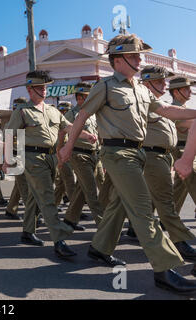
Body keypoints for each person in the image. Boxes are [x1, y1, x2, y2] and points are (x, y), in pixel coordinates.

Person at [59, 34, 196, 294]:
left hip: (139, 153)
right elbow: (82, 116)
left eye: (140, 55)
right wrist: (67, 147)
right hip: (117, 154)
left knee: (121, 204)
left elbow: (167, 111)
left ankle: (99, 248)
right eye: (134, 56)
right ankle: (164, 270)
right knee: (144, 210)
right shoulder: (106, 87)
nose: (140, 59)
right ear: (118, 59)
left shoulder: (141, 89)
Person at [3, 70, 97, 258]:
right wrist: (6, 160)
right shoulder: (23, 111)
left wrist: (86, 135)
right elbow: (9, 135)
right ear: (30, 90)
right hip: (32, 158)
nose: (43, 91)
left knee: (35, 197)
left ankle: (27, 232)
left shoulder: (53, 110)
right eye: (39, 88)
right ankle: (59, 241)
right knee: (47, 197)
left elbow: (67, 126)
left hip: (51, 158)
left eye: (45, 87)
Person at [140, 65, 196, 261]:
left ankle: (102, 245)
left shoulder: (160, 105)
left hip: (168, 156)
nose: (190, 91)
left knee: (164, 200)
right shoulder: (158, 106)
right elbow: (183, 124)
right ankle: (176, 242)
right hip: (164, 155)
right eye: (187, 88)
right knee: (164, 201)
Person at [61, 84, 104, 231]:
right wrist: (60, 153)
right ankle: (104, 227)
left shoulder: (91, 113)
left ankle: (70, 219)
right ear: (79, 98)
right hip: (79, 155)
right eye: (84, 97)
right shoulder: (71, 114)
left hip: (94, 155)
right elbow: (61, 132)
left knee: (81, 189)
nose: (86, 99)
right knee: (91, 192)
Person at [168, 77, 196, 214]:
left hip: (188, 150)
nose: (190, 91)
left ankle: (168, 218)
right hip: (181, 151)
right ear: (176, 92)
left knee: (179, 188)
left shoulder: (186, 110)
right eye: (186, 89)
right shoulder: (172, 110)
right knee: (194, 179)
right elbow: (189, 123)